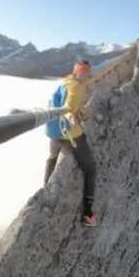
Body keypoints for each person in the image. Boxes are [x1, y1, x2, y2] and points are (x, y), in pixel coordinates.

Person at [44, 60, 98, 227]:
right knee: (91, 169)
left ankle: (45, 191)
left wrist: (75, 112)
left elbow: (64, 106)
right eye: (86, 73)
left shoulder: (66, 82)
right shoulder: (77, 87)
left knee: (52, 157)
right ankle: (88, 214)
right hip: (67, 133)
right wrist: (72, 118)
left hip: (52, 131)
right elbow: (69, 107)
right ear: (80, 73)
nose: (87, 75)